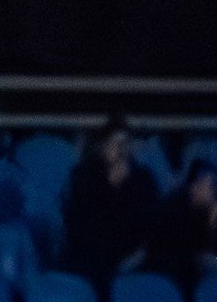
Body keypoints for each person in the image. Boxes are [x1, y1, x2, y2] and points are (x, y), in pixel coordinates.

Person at [62, 115, 159, 283]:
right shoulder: (83, 177)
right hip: (92, 261)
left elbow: (152, 227)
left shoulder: (144, 180)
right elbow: (79, 227)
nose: (119, 149)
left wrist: (136, 258)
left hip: (136, 261)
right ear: (102, 146)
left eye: (124, 143)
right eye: (113, 143)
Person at [142, 160, 217, 287]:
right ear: (194, 186)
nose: (214, 191)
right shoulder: (173, 209)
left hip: (203, 270)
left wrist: (213, 222)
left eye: (215, 185)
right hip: (170, 272)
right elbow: (188, 253)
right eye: (209, 185)